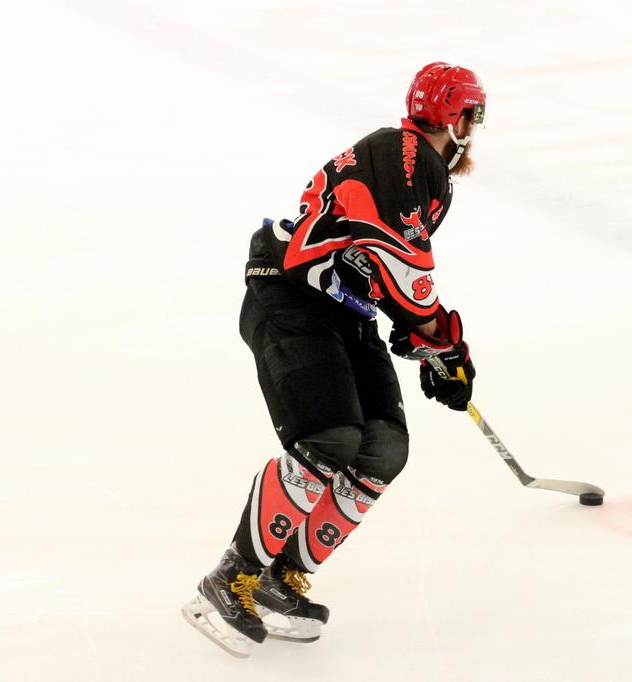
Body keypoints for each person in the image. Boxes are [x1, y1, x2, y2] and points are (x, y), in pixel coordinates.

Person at [182, 62, 487, 658]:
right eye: (472, 116)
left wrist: (430, 345)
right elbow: (406, 270)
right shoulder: (406, 158)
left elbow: (384, 271)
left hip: (343, 309)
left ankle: (280, 579)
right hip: (291, 296)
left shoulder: (419, 171)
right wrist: (442, 343)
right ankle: (230, 578)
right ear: (456, 117)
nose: (473, 130)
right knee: (330, 438)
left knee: (383, 448)